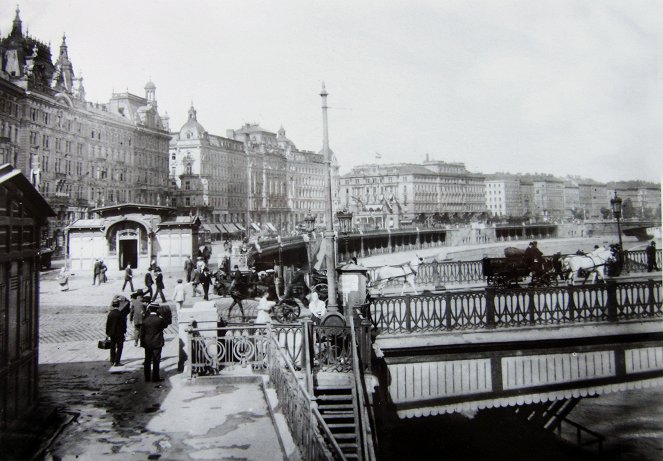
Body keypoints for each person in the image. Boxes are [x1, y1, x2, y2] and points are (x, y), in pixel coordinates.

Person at [141, 303, 168, 382]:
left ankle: (147, 377)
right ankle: (155, 377)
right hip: (157, 342)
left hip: (147, 343)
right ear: (157, 310)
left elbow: (142, 332)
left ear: (149, 309)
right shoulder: (159, 320)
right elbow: (165, 325)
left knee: (147, 359)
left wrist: (142, 343)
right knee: (156, 360)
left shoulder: (145, 320)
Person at [105, 295, 131, 366]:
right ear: (119, 305)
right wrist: (124, 332)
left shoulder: (110, 314)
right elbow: (123, 324)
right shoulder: (120, 314)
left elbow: (108, 324)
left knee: (112, 346)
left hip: (112, 333)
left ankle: (112, 360)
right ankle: (117, 361)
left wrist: (107, 333)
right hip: (119, 333)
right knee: (119, 347)